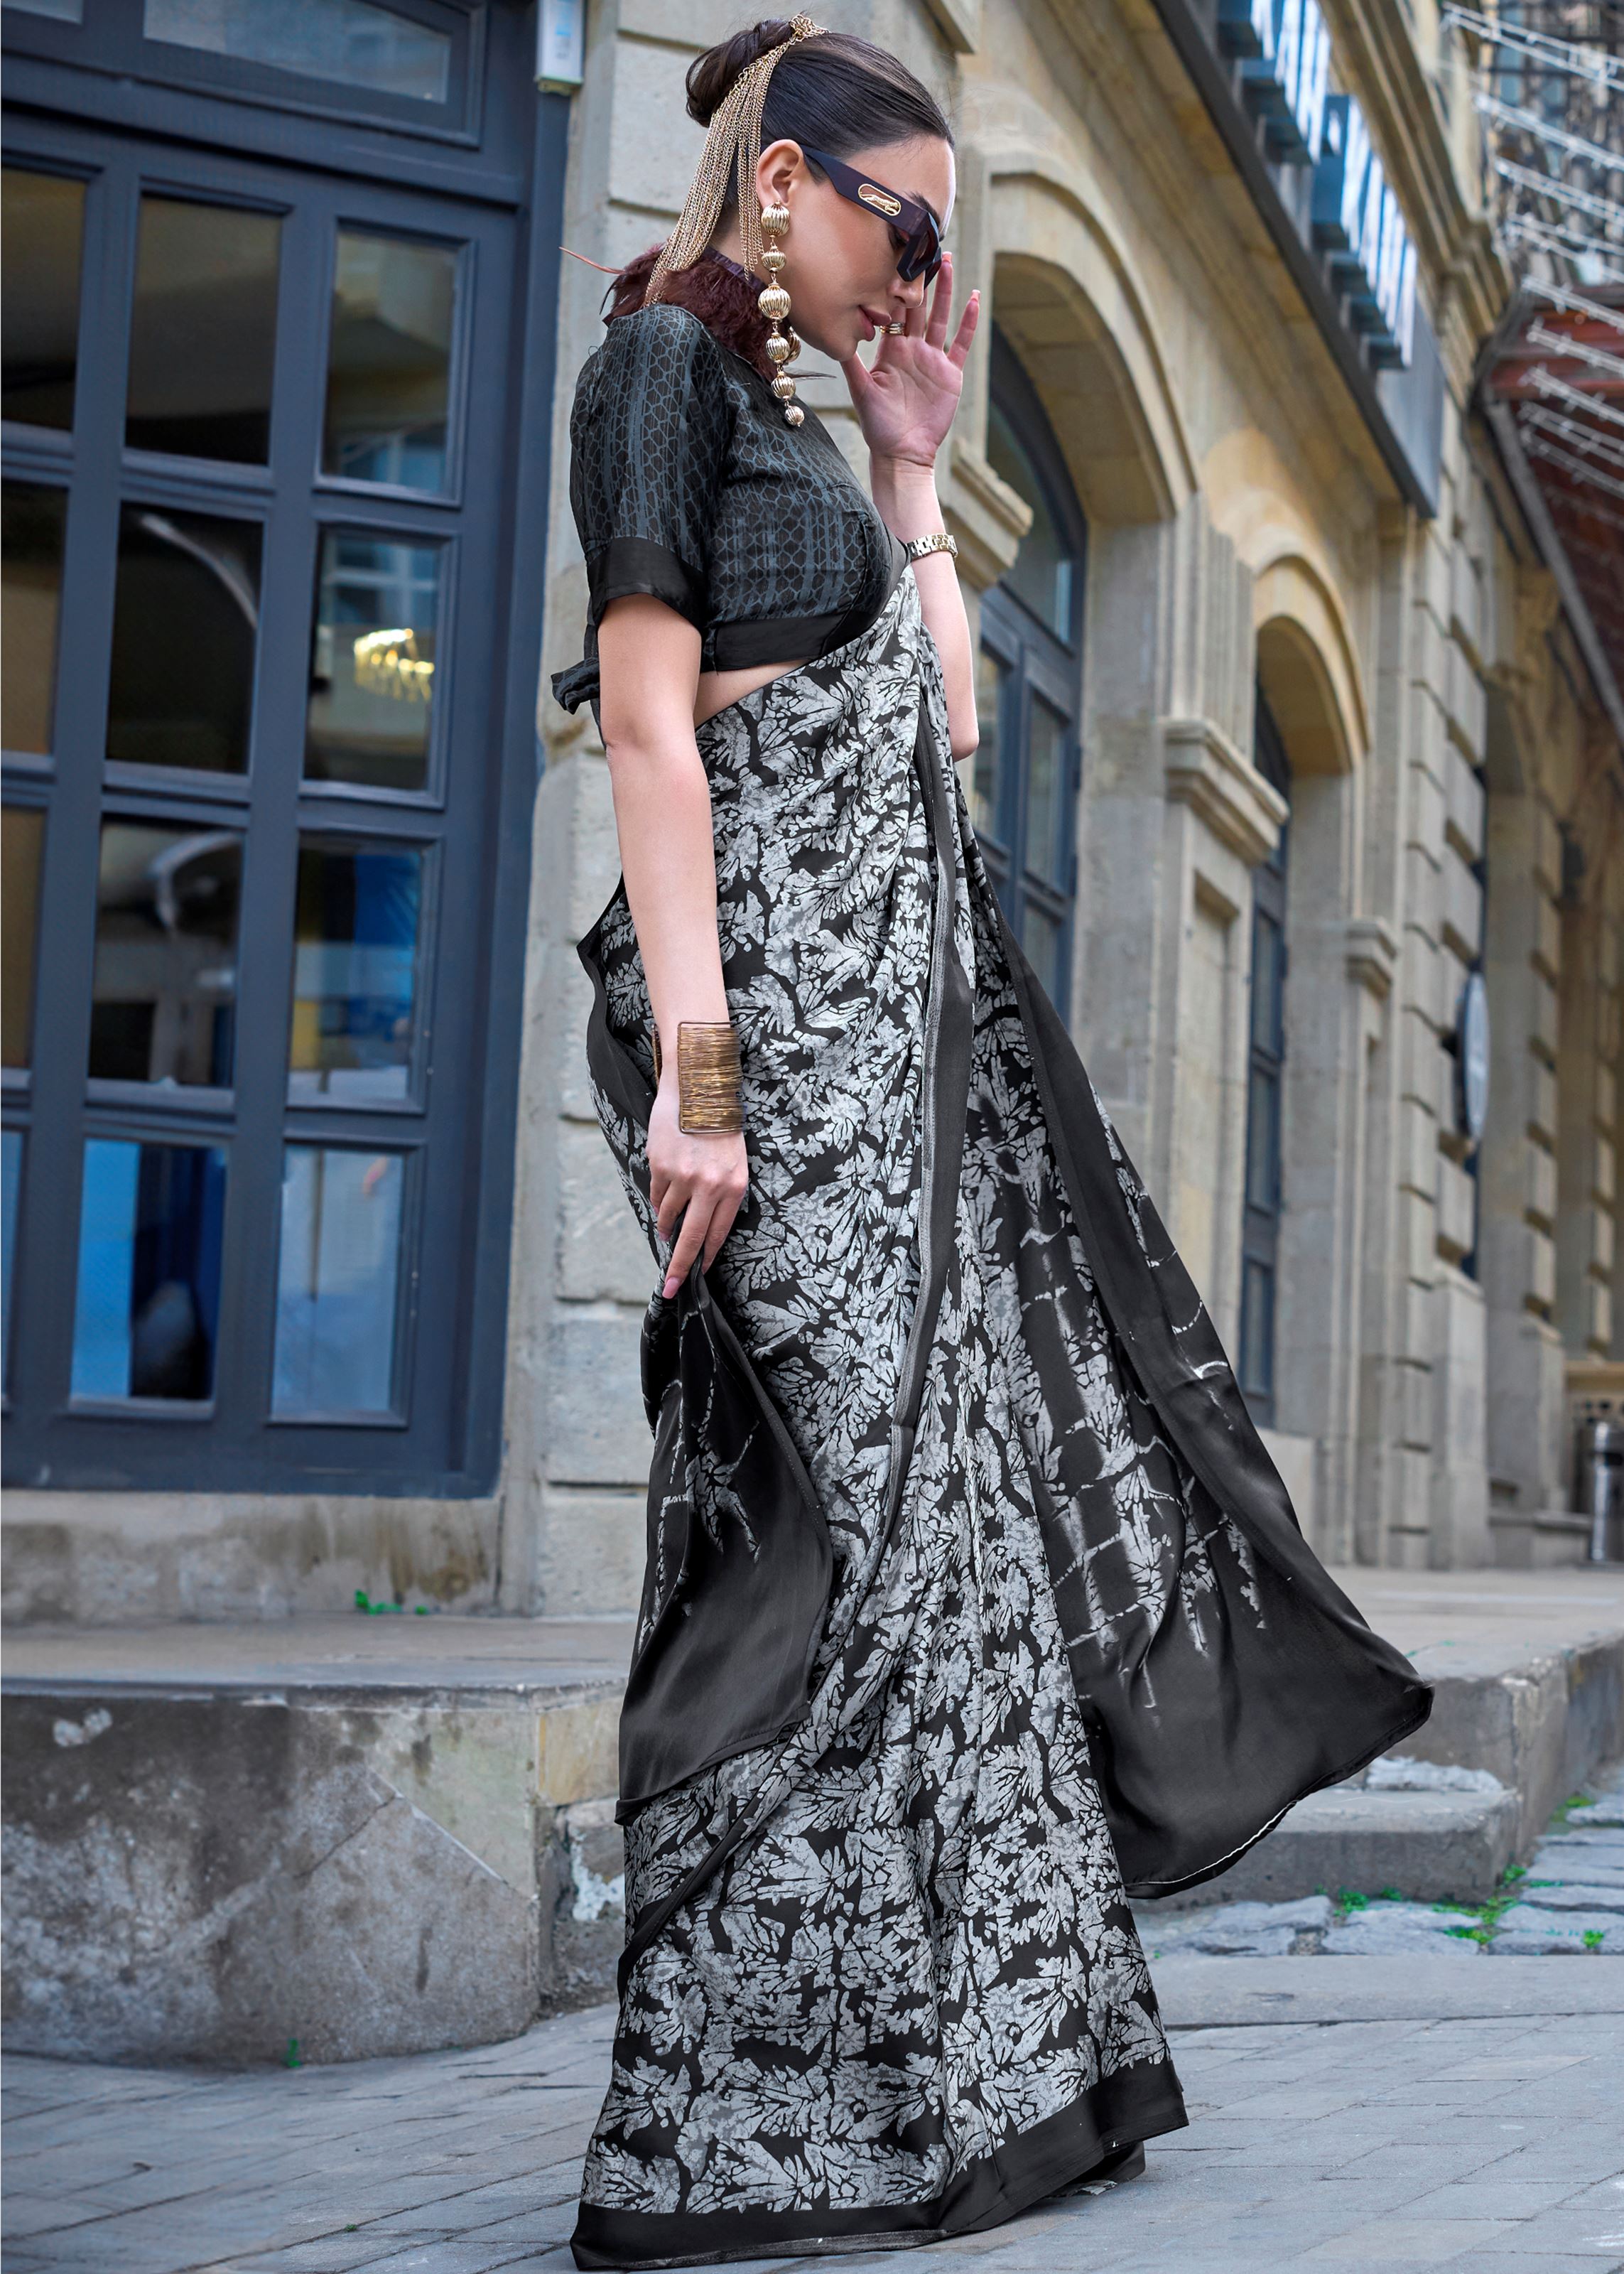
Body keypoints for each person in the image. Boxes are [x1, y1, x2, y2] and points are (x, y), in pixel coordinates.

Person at [551, 18, 1430, 2268]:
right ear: (785, 184)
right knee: (820, 1552)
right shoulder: (654, 378)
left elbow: (940, 722)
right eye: (906, 225)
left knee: (946, 1560)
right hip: (776, 1079)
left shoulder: (801, 430)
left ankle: (990, 2081)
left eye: (942, 238)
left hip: (895, 1090)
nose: (922, 274)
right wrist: (705, 1083)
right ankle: (735, 2119)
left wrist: (917, 466)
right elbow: (650, 737)